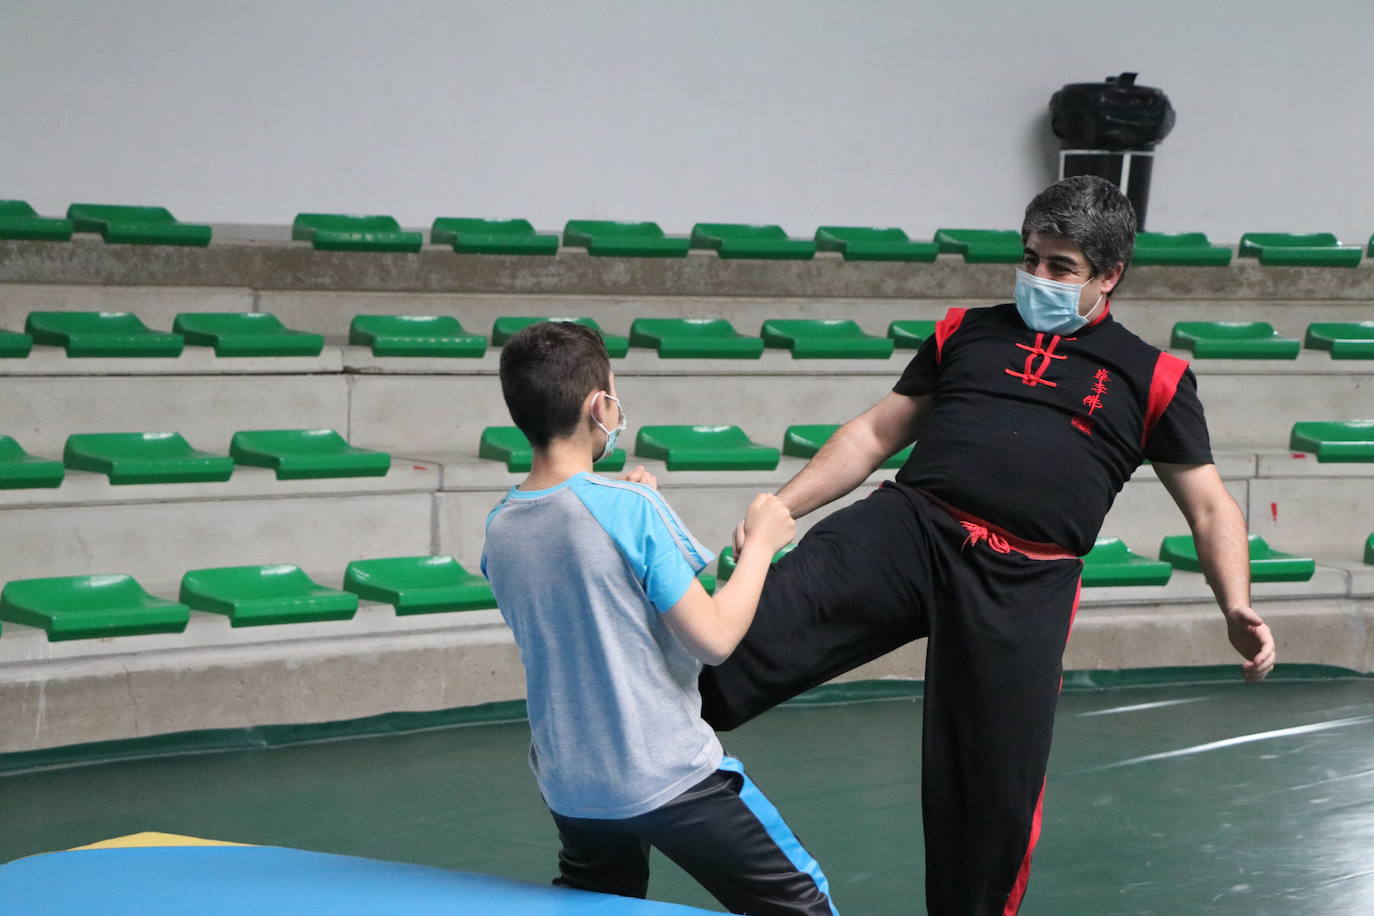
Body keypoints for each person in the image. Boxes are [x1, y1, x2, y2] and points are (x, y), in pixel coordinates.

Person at [698, 176, 1276, 914]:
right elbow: (875, 434)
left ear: (1110, 275)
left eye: (1060, 267)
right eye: (1030, 257)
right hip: (910, 528)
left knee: (991, 794)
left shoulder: (1153, 376)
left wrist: (1236, 602)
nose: (1037, 277)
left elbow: (1208, 505)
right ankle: (628, 752)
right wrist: (781, 505)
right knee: (736, 641)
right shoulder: (965, 331)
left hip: (1024, 583)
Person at [481, 320, 837, 915]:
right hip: (666, 773)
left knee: (599, 903)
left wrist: (625, 499)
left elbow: (586, 595)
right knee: (804, 903)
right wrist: (762, 545)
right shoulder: (630, 508)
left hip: (572, 786)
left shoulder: (500, 528)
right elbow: (715, 637)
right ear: (601, 405)